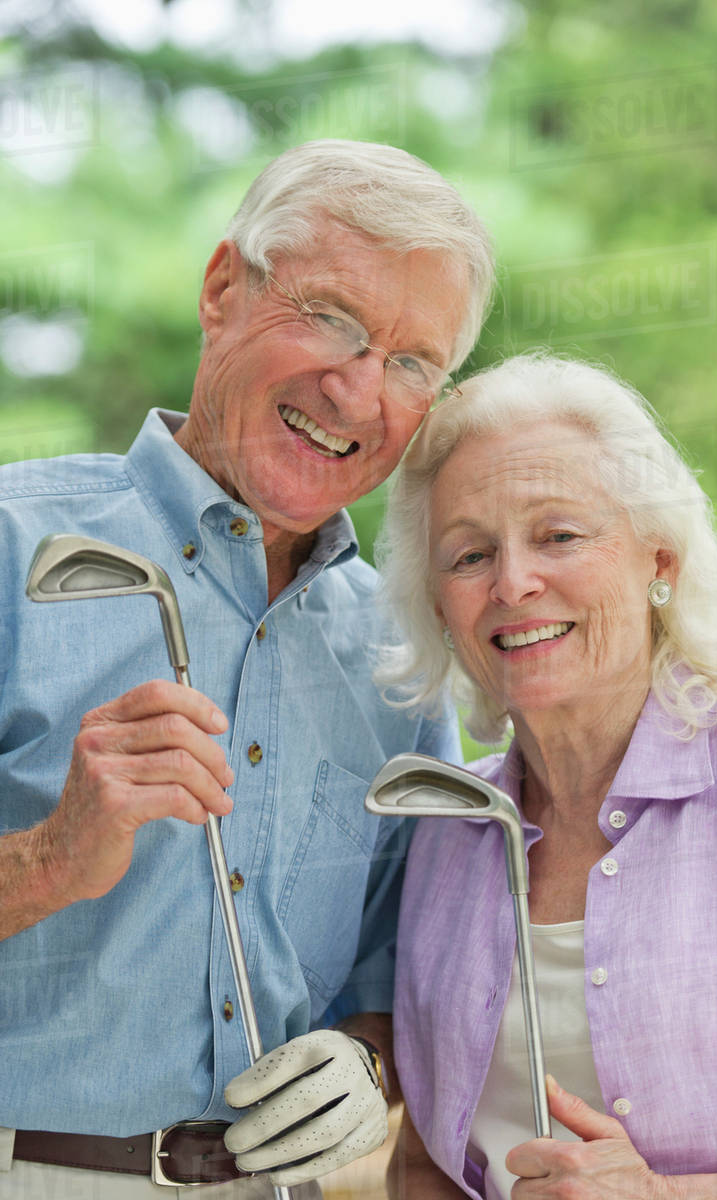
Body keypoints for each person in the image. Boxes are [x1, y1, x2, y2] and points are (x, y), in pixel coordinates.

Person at [0, 139, 494, 1197]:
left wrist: (368, 1062)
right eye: (332, 318)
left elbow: (400, 976)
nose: (357, 390)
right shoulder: (10, 545)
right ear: (222, 289)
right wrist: (48, 858)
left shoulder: (400, 654)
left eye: (412, 363)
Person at [375, 353, 717, 1199]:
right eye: (469, 555)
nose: (513, 582)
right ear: (440, 607)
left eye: (559, 536)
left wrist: (666, 1198)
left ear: (659, 562)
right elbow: (423, 1163)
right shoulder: (440, 836)